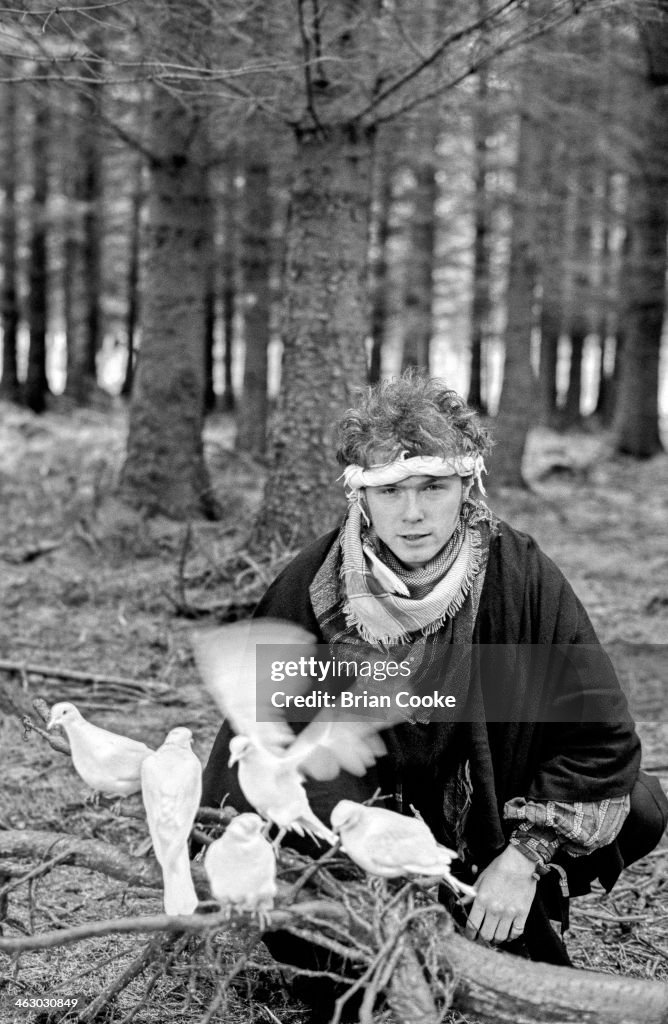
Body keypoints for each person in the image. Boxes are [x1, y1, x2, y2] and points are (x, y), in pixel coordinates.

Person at [201, 372, 667, 1015]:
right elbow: (255, 753)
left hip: (487, 822)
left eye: (432, 487)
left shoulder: (519, 578)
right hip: (361, 844)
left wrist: (526, 859)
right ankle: (368, 944)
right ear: (360, 496)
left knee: (641, 803)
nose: (412, 513)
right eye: (390, 491)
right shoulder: (315, 592)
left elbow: (602, 737)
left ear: (467, 488)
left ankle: (496, 905)